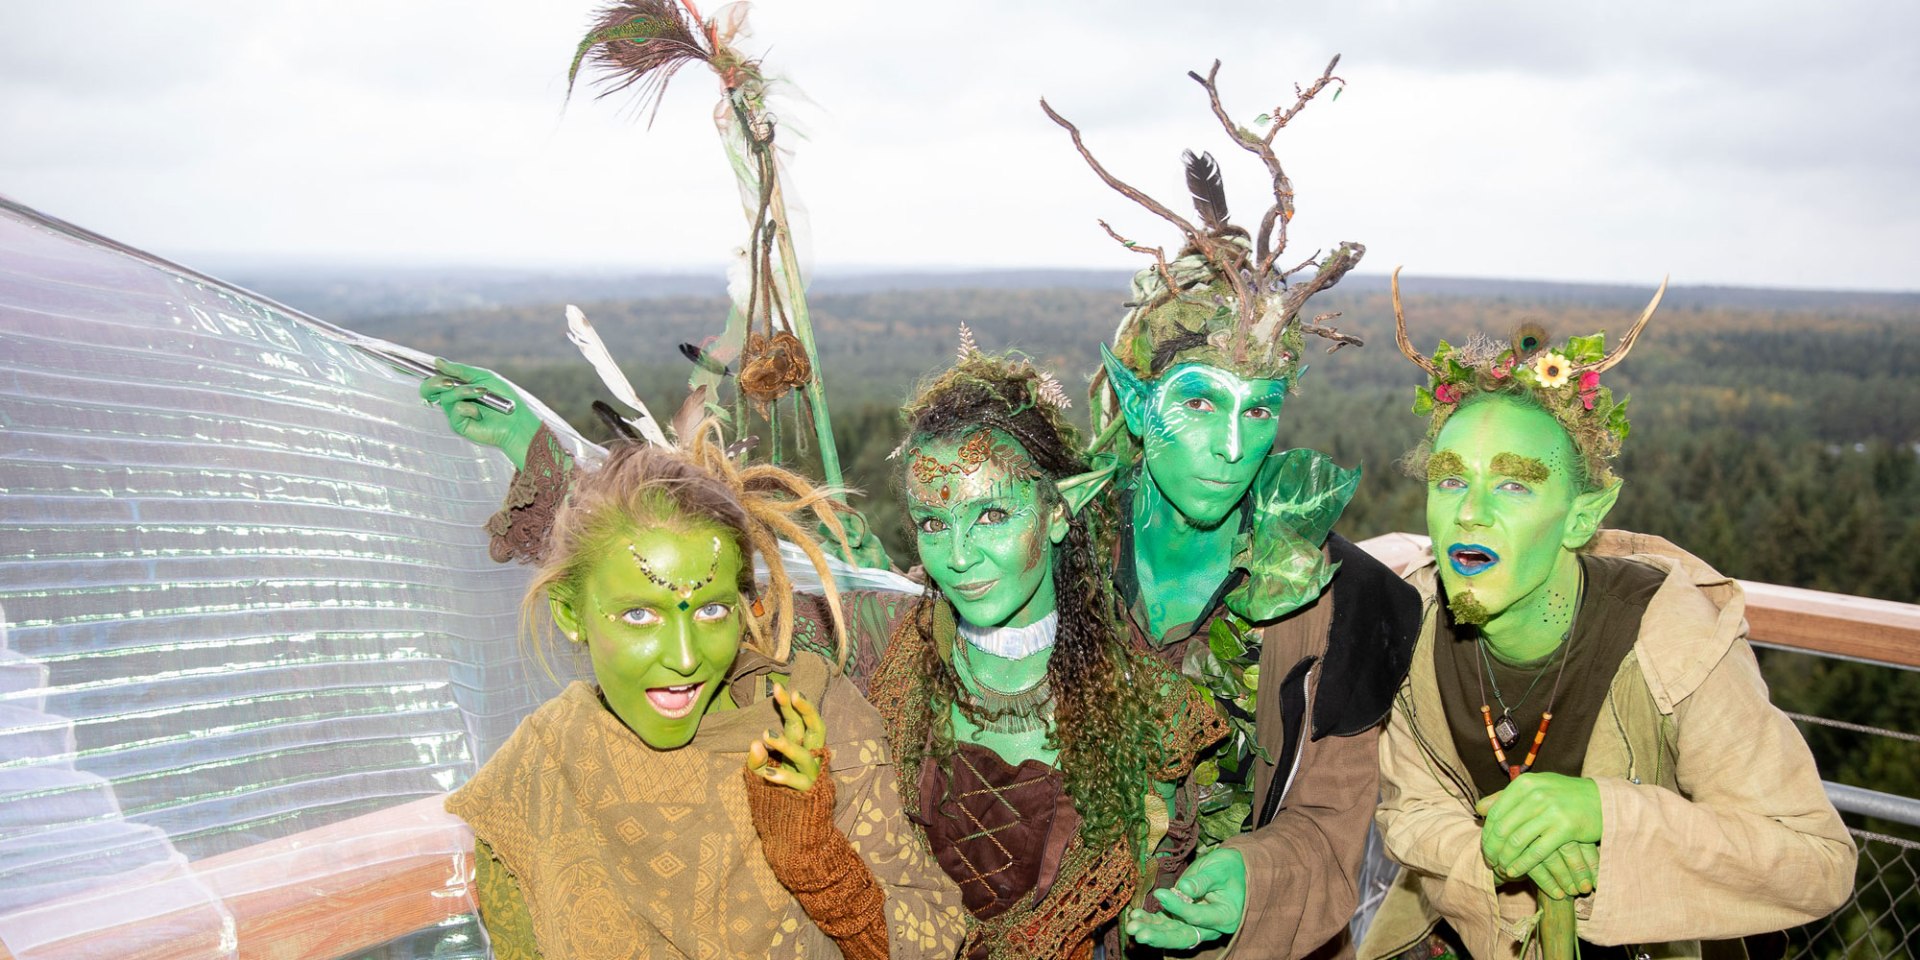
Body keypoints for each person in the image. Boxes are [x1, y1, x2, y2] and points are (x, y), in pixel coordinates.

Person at [1358, 273, 1856, 960]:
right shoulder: (1408, 627)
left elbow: (1816, 862)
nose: (1470, 513)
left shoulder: (1672, 641)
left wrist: (1602, 814)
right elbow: (1410, 808)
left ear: (1583, 515)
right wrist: (1506, 853)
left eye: (1512, 484)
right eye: (1450, 480)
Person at [1044, 82, 1424, 952]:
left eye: (1259, 410)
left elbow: (1333, 817)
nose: (1230, 447)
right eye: (1200, 403)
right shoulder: (1052, 551)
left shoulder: (1343, 601)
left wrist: (1254, 876)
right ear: (1137, 407)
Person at [441, 422, 967, 959]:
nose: (687, 657)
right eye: (640, 615)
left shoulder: (811, 719)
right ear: (571, 614)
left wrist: (811, 854)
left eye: (712, 610)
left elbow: (930, 944)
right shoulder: (538, 771)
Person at [837, 347, 1226, 958]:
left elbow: (1146, 915)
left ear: (1056, 513)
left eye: (991, 514)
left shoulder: (1147, 711)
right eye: (934, 523)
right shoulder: (883, 662)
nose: (960, 556)